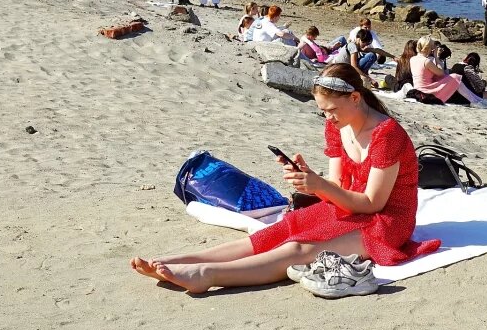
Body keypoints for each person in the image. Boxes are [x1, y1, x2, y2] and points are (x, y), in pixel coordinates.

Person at [130, 64, 441, 295]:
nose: (328, 117)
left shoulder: (387, 135)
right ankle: (173, 260)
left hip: (387, 220)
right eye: (323, 111)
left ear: (356, 98)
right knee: (280, 231)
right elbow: (340, 189)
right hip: (353, 208)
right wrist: (311, 181)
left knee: (299, 250)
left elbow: (374, 203)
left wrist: (320, 186)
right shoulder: (337, 127)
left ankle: (207, 274)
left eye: (332, 109)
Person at [409, 37, 487, 107]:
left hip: (418, 88)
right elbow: (441, 73)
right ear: (427, 48)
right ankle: (475, 101)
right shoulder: (426, 61)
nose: (433, 49)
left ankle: (476, 100)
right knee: (455, 77)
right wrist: (437, 58)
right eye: (432, 47)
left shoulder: (413, 59)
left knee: (454, 77)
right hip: (426, 90)